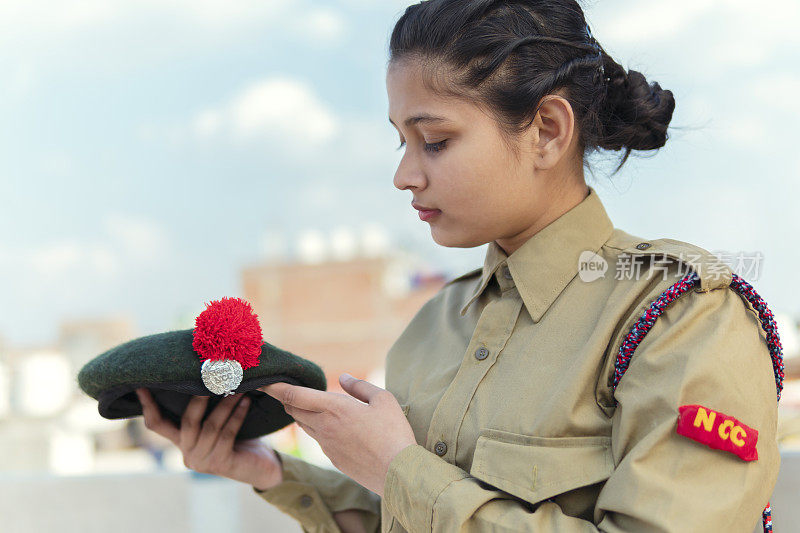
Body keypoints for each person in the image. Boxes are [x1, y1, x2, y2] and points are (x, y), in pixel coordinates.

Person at [136, 1, 782, 531]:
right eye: (401, 140)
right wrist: (273, 470)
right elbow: (407, 517)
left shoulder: (681, 315)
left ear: (548, 131)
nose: (404, 174)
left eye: (436, 140)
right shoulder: (436, 323)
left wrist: (399, 469)